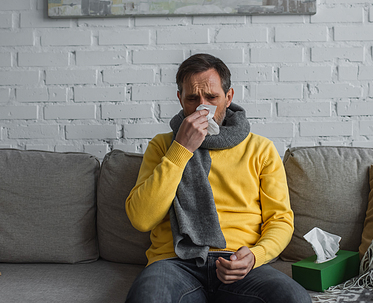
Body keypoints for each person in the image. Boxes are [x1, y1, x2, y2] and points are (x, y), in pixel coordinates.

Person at [125, 53, 311, 303]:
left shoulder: (260, 149)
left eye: (211, 97)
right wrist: (181, 149)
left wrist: (255, 255)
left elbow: (280, 220)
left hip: (238, 263)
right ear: (180, 99)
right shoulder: (163, 146)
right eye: (192, 98)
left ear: (228, 97)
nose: (203, 107)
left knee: (293, 298)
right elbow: (141, 219)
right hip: (176, 263)